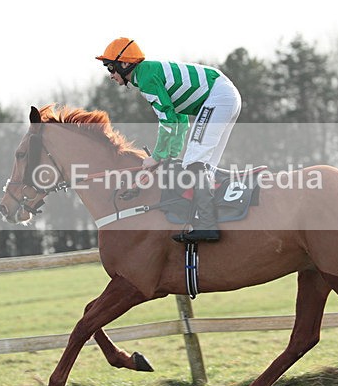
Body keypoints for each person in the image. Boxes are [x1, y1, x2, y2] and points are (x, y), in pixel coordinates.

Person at [96, 37, 241, 243]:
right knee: (204, 164)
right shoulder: (147, 73)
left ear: (125, 64)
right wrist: (171, 154)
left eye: (111, 67)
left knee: (195, 161)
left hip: (219, 97)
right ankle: (211, 218)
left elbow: (167, 119)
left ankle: (207, 225)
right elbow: (179, 119)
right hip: (225, 95)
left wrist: (157, 156)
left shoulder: (146, 78)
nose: (110, 75)